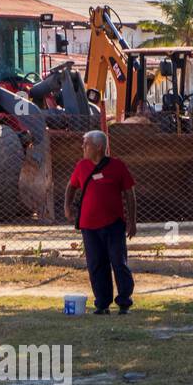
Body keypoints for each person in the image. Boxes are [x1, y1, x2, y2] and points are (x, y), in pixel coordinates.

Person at [65, 130, 137, 315]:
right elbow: (71, 187)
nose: (83, 147)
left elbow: (129, 193)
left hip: (113, 224)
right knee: (96, 264)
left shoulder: (117, 166)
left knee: (118, 262)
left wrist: (132, 221)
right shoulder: (81, 166)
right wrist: (68, 207)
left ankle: (124, 301)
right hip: (89, 226)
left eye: (86, 143)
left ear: (98, 147)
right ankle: (102, 303)